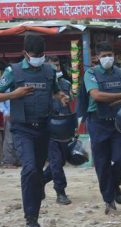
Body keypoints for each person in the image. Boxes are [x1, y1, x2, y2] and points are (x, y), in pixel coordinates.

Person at [0, 34, 69, 227]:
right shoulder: (13, 71)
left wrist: (62, 97)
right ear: (25, 54)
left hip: (44, 128)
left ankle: (35, 205)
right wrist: (13, 95)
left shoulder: (49, 71)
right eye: (35, 55)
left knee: (37, 171)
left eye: (41, 54)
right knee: (30, 168)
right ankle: (30, 220)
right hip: (22, 128)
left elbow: (56, 91)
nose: (38, 58)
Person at [84, 42, 121, 215]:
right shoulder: (91, 73)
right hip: (97, 122)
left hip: (116, 123)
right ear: (97, 57)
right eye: (104, 55)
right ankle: (109, 201)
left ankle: (114, 185)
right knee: (102, 164)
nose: (108, 58)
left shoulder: (118, 73)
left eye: (110, 54)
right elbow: (96, 95)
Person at [42, 56, 73, 205]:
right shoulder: (44, 85)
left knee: (61, 160)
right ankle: (60, 191)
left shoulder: (66, 84)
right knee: (55, 159)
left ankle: (40, 181)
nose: (56, 67)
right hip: (49, 127)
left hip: (64, 127)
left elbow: (68, 106)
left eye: (57, 64)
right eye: (52, 64)